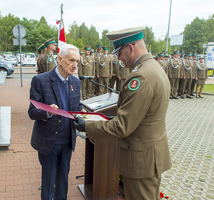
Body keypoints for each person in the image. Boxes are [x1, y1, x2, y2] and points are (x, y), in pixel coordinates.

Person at [73, 27, 172, 200]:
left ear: (131, 48)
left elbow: (123, 127)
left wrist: (87, 126)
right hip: (150, 154)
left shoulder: (140, 77)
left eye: (119, 53)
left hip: (140, 159)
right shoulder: (154, 68)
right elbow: (143, 115)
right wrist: (114, 118)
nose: (118, 58)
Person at [28, 44, 83, 200]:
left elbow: (77, 107)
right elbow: (32, 112)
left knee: (63, 180)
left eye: (77, 61)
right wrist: (47, 112)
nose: (75, 65)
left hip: (67, 141)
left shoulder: (75, 82)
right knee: (49, 182)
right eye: (71, 60)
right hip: (48, 142)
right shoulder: (40, 80)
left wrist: (82, 116)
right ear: (60, 59)